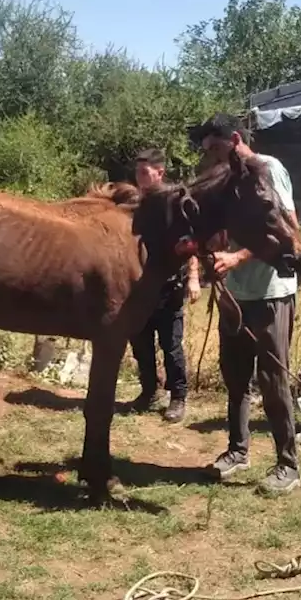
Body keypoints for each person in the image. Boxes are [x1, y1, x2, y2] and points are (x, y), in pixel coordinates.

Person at [197, 113, 301, 496]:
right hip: (235, 295)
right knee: (236, 377)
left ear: (236, 138)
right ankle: (238, 450)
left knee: (273, 379)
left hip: (271, 292)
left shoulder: (267, 170)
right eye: (208, 150)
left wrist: (237, 258)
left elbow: (286, 230)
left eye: (217, 148)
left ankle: (288, 465)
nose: (212, 156)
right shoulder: (225, 180)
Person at [125, 147, 201, 423]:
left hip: (170, 285)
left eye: (145, 172)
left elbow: (191, 242)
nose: (141, 177)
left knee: (171, 345)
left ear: (160, 172)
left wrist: (193, 277)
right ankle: (148, 391)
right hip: (138, 285)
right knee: (141, 341)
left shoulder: (175, 201)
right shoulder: (133, 203)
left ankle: (178, 397)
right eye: (138, 172)